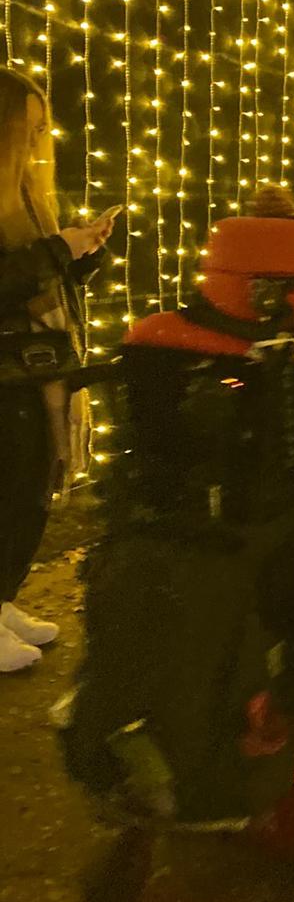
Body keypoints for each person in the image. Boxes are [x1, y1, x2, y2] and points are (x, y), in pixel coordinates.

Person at [0, 69, 117, 672]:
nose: (42, 139)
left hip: (36, 371)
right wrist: (57, 250)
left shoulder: (28, 198)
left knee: (29, 493)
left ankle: (2, 599)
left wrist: (84, 253)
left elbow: (44, 281)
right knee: (7, 491)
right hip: (7, 373)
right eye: (32, 127)